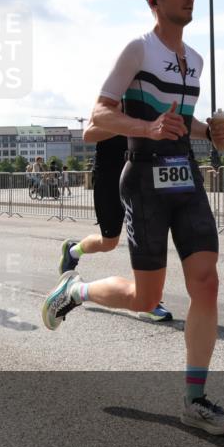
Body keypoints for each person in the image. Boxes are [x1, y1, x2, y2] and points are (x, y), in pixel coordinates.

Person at [42, 0, 224, 435]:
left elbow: (179, 122)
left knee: (206, 283)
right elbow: (96, 120)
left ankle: (195, 399)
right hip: (145, 181)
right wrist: (147, 127)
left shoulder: (194, 60)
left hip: (186, 178)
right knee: (146, 295)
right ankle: (77, 290)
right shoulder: (137, 49)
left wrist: (211, 132)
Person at [57, 131, 173, 323]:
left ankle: (148, 301)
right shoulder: (113, 102)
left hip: (143, 172)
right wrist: (132, 125)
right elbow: (91, 133)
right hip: (109, 174)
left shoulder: (150, 103)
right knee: (108, 241)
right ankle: (73, 251)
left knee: (146, 235)